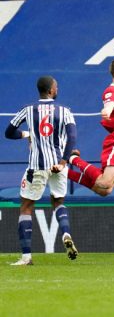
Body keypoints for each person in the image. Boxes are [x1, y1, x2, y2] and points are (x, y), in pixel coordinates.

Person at [4, 76, 79, 265]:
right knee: (58, 202)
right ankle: (66, 233)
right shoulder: (64, 111)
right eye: (56, 87)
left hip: (37, 166)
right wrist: (62, 162)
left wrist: (27, 134)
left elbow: (9, 132)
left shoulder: (28, 110)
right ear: (52, 90)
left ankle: (27, 257)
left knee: (27, 206)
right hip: (58, 165)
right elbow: (72, 137)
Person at [66, 59, 114, 196]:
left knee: (105, 190)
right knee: (103, 183)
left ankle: (64, 172)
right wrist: (106, 111)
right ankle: (72, 158)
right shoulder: (111, 91)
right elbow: (108, 105)